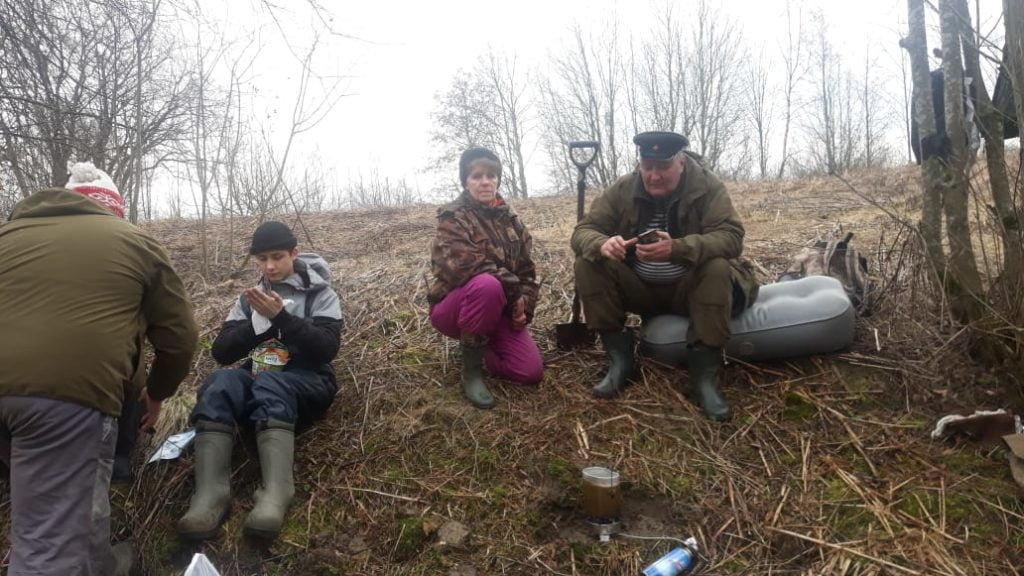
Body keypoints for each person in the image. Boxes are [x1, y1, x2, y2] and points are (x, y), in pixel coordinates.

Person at [0, 162, 198, 575]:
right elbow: (178, 338)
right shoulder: (133, 242)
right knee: (46, 548)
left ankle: (100, 565)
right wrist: (158, 394)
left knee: (55, 506)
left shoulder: (7, 237)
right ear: (114, 212)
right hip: (61, 398)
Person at [570, 131, 759, 421]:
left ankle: (703, 379)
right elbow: (584, 231)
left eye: (663, 167)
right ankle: (621, 363)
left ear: (681, 162)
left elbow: (731, 237)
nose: (654, 176)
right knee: (588, 262)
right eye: (647, 167)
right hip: (640, 289)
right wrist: (601, 243)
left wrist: (678, 248)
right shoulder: (623, 189)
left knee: (717, 266)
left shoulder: (707, 186)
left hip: (689, 288)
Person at [177, 220, 342, 541]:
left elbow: (326, 349)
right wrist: (259, 325)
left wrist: (282, 318)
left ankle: (277, 493)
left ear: (294, 253)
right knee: (220, 382)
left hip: (309, 379)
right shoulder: (250, 298)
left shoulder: (322, 293)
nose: (270, 266)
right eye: (262, 258)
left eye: (278, 256)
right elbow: (222, 352)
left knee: (270, 384)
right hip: (260, 375)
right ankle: (210, 495)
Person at [428, 147, 543, 409]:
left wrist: (524, 306)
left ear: (498, 180)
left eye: (491, 175)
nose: (485, 182)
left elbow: (527, 271)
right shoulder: (453, 218)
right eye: (477, 176)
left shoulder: (512, 221)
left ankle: (485, 348)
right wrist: (514, 293)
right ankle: (472, 373)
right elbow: (466, 266)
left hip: (498, 310)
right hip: (454, 308)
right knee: (487, 284)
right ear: (465, 181)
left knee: (530, 372)